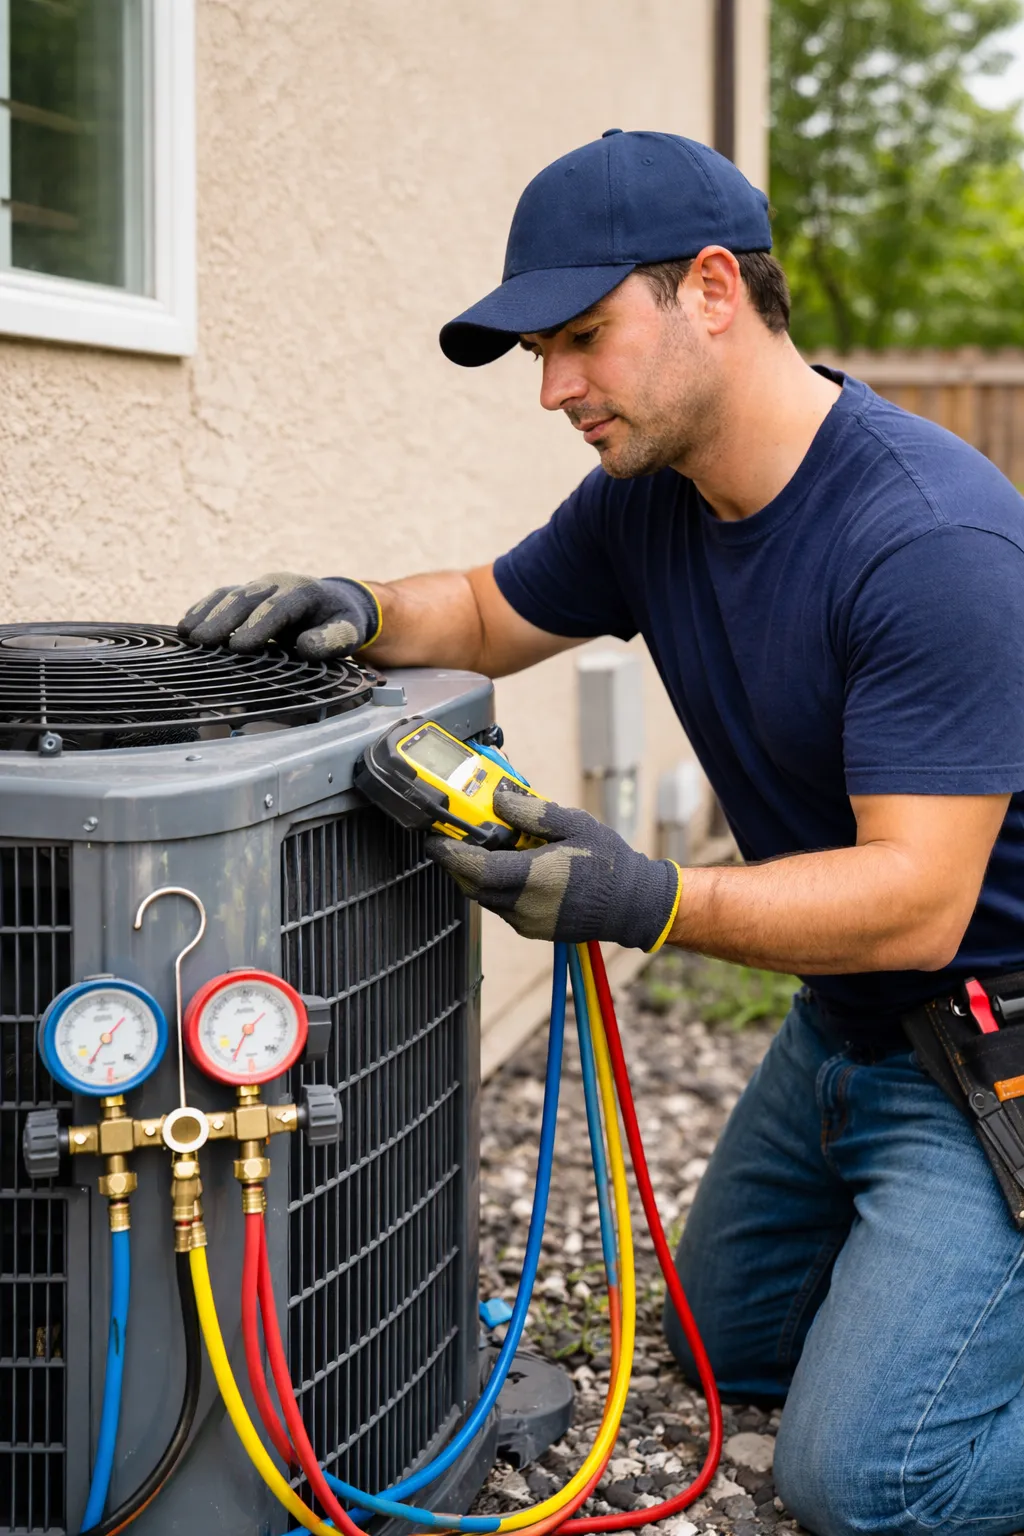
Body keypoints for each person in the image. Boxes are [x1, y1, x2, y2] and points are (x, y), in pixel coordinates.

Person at [178, 131, 1024, 1536]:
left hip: (990, 1045)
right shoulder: (654, 501)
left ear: (713, 290)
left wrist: (644, 895)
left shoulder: (928, 542)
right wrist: (356, 607)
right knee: (723, 1349)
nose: (555, 388)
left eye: (582, 338)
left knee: (871, 1480)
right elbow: (485, 609)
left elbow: (917, 903)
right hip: (847, 1032)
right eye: (540, 354)